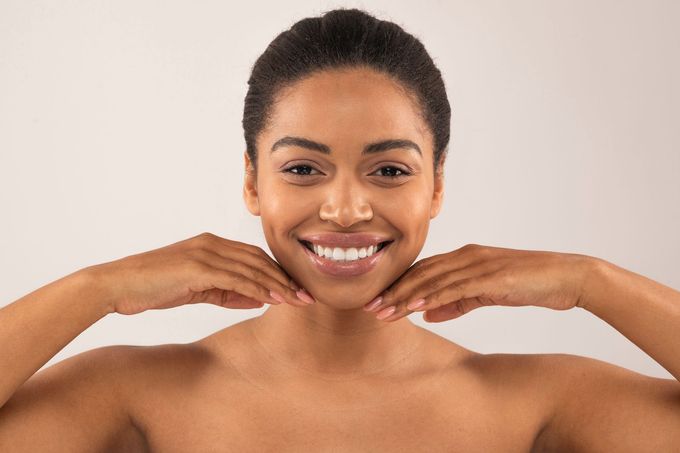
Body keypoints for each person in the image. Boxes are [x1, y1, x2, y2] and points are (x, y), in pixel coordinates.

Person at [1, 7, 679, 452]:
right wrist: (100, 287)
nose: (347, 208)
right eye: (302, 167)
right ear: (250, 181)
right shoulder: (139, 393)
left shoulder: (530, 403)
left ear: (437, 184)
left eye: (388, 170)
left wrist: (588, 281)